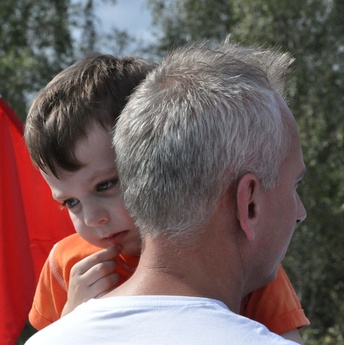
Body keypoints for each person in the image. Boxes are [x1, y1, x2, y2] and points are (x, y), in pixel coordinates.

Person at [24, 44, 308, 344]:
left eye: (106, 185)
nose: (93, 218)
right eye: (70, 202)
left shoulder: (254, 269)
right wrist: (72, 317)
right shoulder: (65, 267)